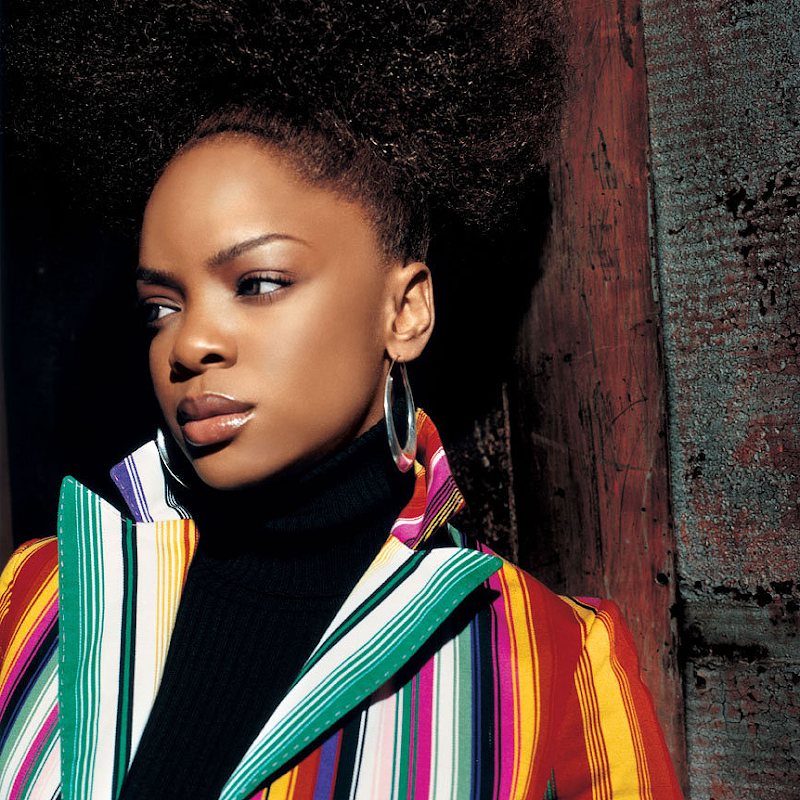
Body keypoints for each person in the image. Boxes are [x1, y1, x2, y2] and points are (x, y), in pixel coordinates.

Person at [0, 1, 684, 798]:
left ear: (405, 312)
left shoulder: (552, 665)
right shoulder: (38, 599)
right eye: (161, 307)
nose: (188, 345)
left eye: (258, 283)